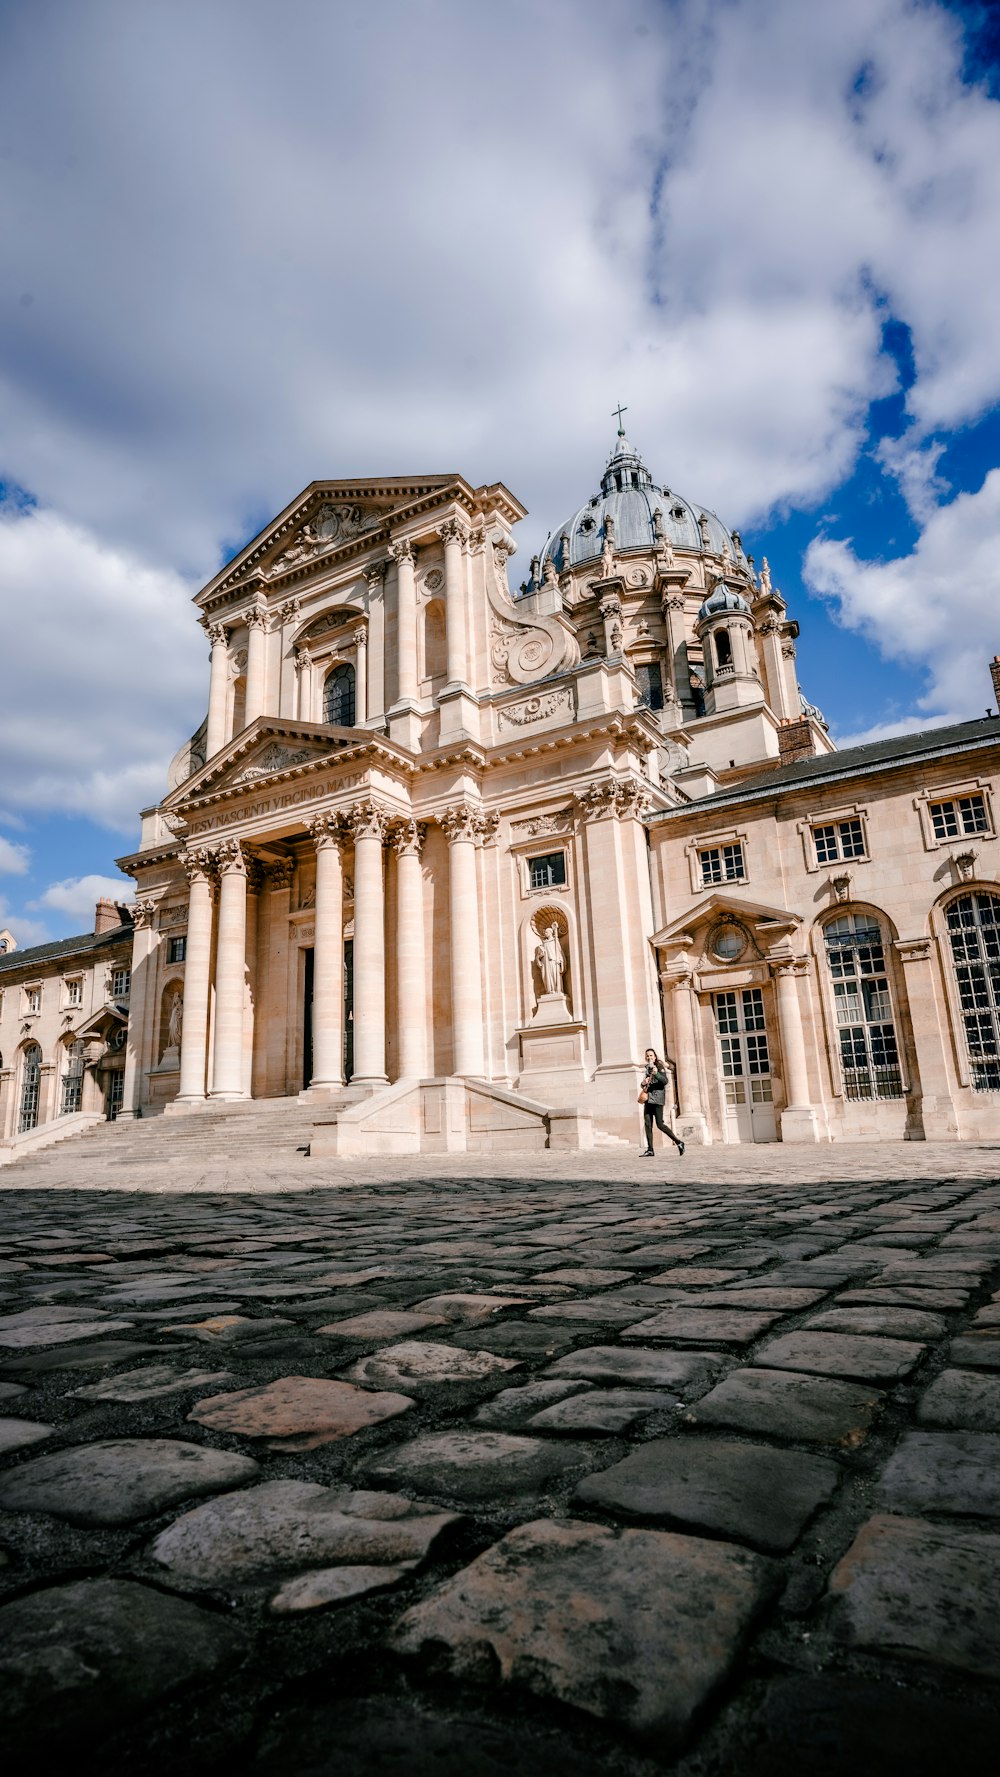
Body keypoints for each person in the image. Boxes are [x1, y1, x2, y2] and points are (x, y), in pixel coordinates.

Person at [640, 1048, 685, 1157]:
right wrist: (643, 1083)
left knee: (660, 1124)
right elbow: (645, 1084)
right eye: (647, 1056)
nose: (649, 1057)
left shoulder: (659, 1066)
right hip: (648, 1099)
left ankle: (679, 1142)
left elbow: (665, 1081)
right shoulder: (647, 1068)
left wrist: (656, 1074)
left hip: (657, 1099)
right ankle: (650, 1149)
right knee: (647, 1124)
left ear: (655, 1057)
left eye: (651, 1055)